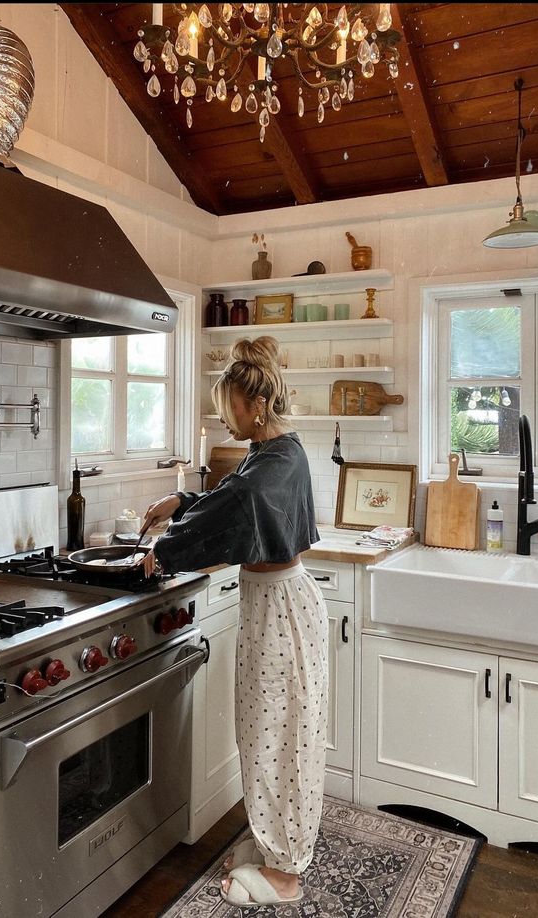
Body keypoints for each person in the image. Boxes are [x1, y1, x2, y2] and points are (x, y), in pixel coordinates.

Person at [140, 336, 329, 907]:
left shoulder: (264, 468)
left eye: (232, 408)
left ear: (257, 405)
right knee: (274, 734)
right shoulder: (280, 449)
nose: (227, 418)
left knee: (276, 736)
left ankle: (286, 875)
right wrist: (182, 502)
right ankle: (276, 849)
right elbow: (232, 494)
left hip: (278, 611)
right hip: (281, 604)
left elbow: (237, 504)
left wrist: (164, 553)